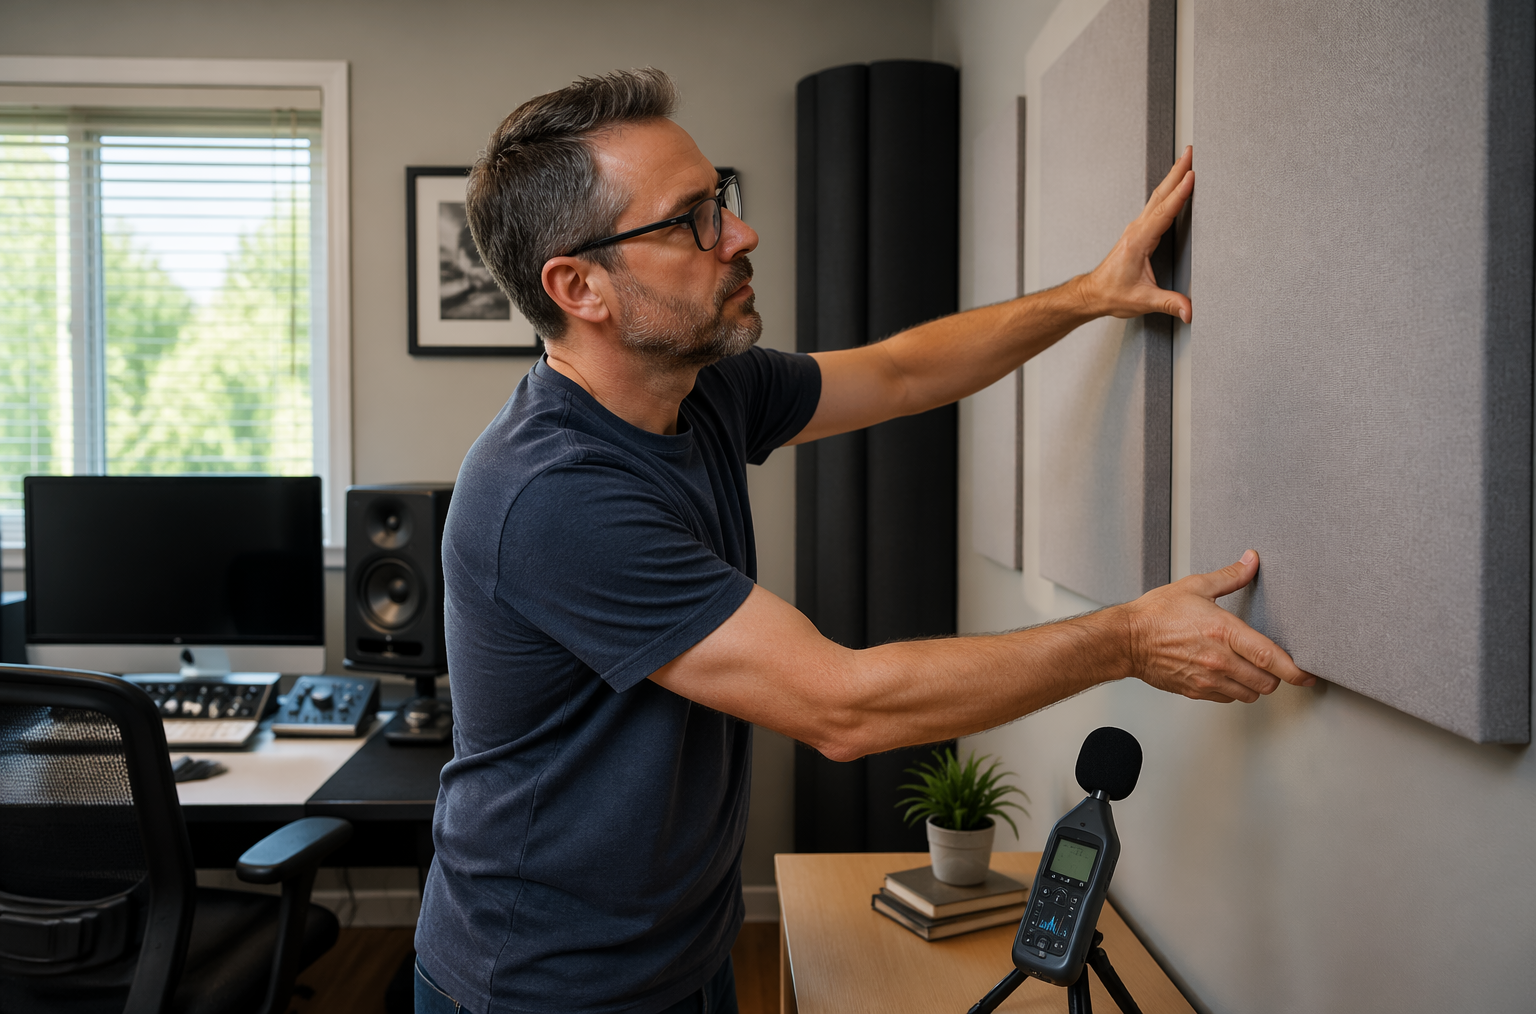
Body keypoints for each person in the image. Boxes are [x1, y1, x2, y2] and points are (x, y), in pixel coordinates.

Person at [413, 69, 1313, 1014]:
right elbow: (845, 708)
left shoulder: (704, 388)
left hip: (682, 950)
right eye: (692, 221)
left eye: (720, 198)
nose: (741, 233)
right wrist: (1126, 639)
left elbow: (897, 373)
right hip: (538, 986)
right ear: (579, 286)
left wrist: (1090, 294)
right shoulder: (553, 494)